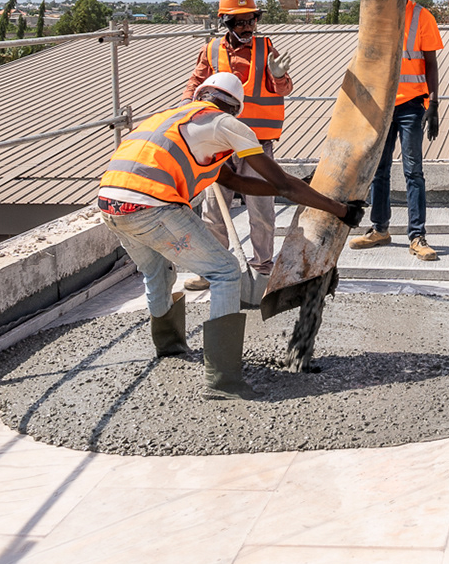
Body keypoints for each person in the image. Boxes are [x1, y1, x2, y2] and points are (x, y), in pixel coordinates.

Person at [95, 70, 363, 400]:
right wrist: (340, 210)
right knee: (224, 272)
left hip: (110, 204)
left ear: (201, 96)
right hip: (152, 205)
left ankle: (169, 347)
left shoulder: (172, 119)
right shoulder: (227, 124)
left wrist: (300, 186)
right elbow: (282, 185)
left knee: (157, 271)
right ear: (236, 108)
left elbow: (234, 182)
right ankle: (221, 380)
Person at [185, 0, 293, 278]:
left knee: (261, 209)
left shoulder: (266, 49)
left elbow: (284, 89)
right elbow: (194, 84)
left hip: (255, 142)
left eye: (251, 20)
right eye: (240, 22)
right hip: (219, 142)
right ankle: (214, 270)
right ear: (226, 23)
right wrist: (185, 111)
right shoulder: (211, 50)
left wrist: (279, 76)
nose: (247, 27)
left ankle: (263, 266)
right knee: (214, 209)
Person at [349, 0, 444, 260]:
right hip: (381, 104)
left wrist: (434, 103)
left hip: (411, 105)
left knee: (413, 171)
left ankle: (417, 236)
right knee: (379, 170)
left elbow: (430, 62)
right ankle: (380, 229)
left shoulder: (422, 17)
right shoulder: (377, 13)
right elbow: (367, 60)